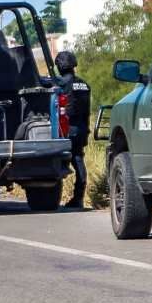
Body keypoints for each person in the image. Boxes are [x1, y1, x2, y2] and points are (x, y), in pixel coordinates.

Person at [53, 50, 92, 209]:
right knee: (78, 162)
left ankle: (53, 196)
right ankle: (79, 198)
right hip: (82, 128)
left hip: (67, 128)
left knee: (57, 162)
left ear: (61, 66)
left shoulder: (61, 83)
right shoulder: (84, 84)